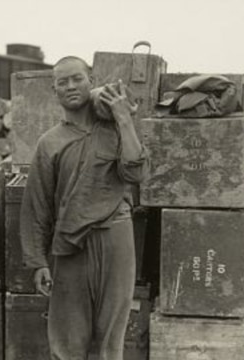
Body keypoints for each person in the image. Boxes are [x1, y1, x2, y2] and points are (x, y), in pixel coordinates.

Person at [20, 56, 149, 360]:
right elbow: (36, 206)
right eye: (62, 82)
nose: (70, 86)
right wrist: (37, 261)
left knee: (110, 338)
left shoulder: (115, 128)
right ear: (55, 92)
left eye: (77, 78)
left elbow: (136, 174)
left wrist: (124, 119)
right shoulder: (49, 142)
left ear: (91, 81)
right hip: (70, 243)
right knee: (68, 338)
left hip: (116, 236)